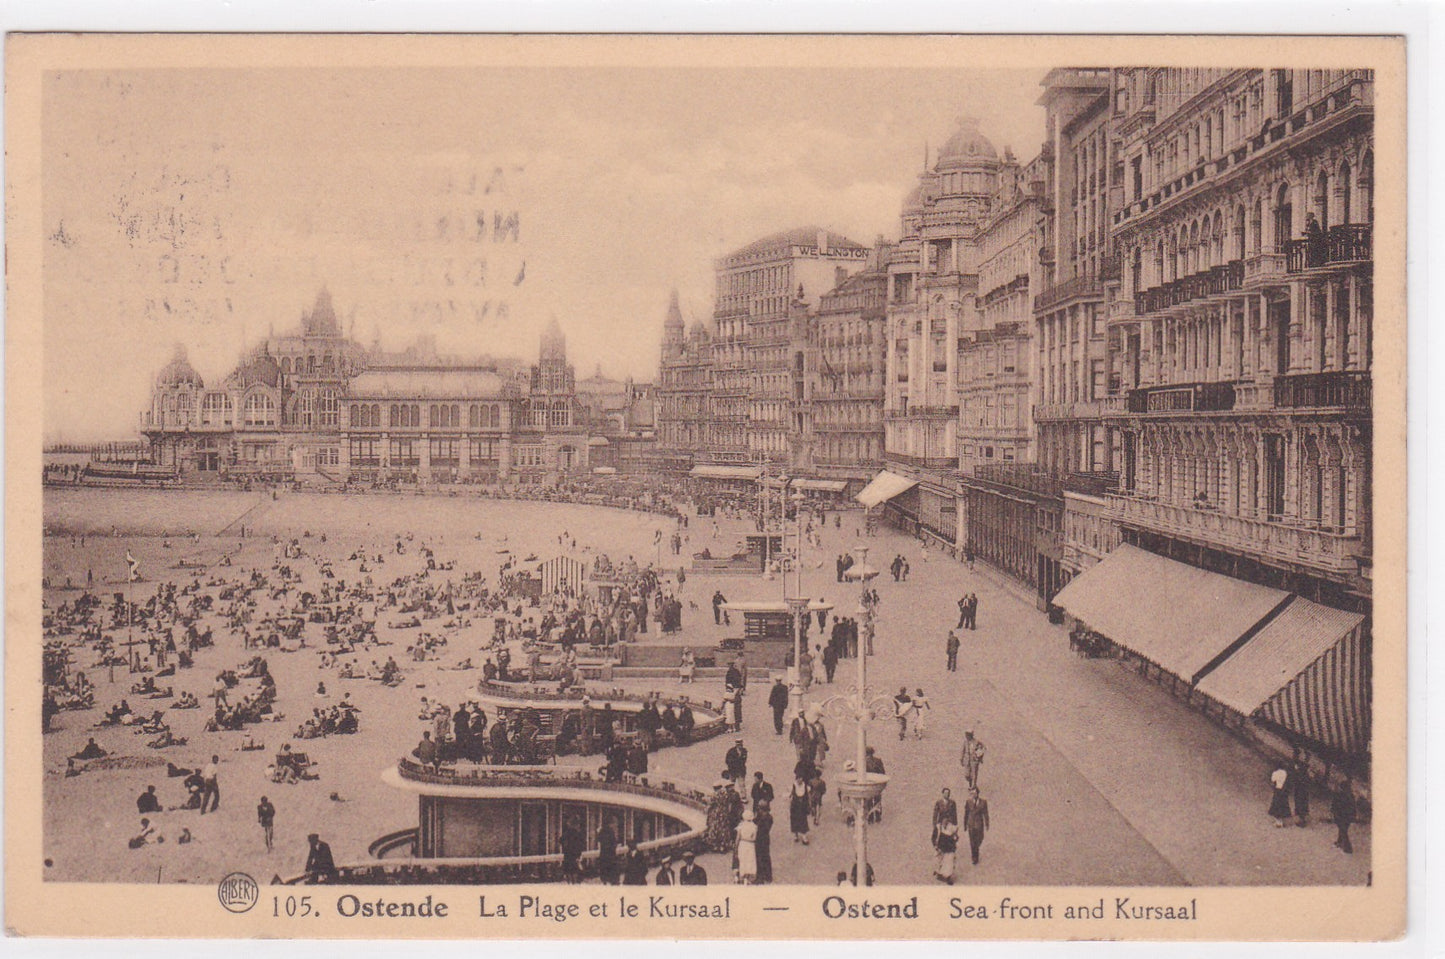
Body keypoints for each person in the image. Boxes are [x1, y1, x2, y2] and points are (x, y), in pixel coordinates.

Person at [963, 786, 990, 866]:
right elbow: (966, 813)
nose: (973, 795)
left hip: (979, 824)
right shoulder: (968, 802)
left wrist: (987, 824)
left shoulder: (983, 802)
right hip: (971, 823)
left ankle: (976, 849)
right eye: (972, 793)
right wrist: (965, 824)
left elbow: (986, 813)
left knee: (979, 839)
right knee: (972, 841)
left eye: (975, 793)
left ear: (978, 793)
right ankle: (974, 857)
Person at [1330, 777, 1357, 854]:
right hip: (1347, 817)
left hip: (1340, 816)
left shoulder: (1339, 795)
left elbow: (1334, 805)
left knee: (1343, 831)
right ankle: (1339, 841)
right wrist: (1353, 816)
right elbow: (1353, 807)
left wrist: (1333, 812)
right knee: (1343, 829)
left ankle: (1348, 848)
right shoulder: (1350, 796)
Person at [558, 817, 586, 883]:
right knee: (575, 868)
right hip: (575, 853)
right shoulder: (577, 833)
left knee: (568, 868)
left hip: (567, 853)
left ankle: (569, 881)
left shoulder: (566, 833)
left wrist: (565, 846)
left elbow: (560, 840)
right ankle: (574, 882)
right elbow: (582, 843)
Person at [734, 809, 758, 884]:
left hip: (742, 844)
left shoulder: (741, 826)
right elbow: (754, 838)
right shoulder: (754, 826)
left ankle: (742, 876)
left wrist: (736, 847)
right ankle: (749, 877)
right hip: (750, 845)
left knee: (742, 860)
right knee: (750, 860)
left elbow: (737, 838)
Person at [754, 799, 774, 885]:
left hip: (761, 839)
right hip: (765, 839)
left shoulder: (764, 818)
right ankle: (768, 876)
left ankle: (760, 877)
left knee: (760, 858)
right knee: (766, 857)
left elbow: (759, 826)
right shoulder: (769, 817)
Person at [934, 819, 959, 884]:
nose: (945, 822)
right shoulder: (938, 827)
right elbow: (934, 837)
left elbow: (956, 837)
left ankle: (948, 877)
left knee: (949, 862)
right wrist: (936, 845)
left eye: (946, 821)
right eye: (943, 821)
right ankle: (940, 873)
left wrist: (955, 838)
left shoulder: (952, 828)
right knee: (940, 860)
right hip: (941, 847)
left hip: (949, 847)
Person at [595, 819, 621, 885]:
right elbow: (613, 842)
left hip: (604, 853)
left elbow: (598, 840)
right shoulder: (611, 831)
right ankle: (612, 880)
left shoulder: (601, 831)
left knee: (604, 867)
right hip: (610, 853)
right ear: (610, 824)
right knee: (611, 867)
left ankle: (604, 880)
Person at [1290, 749, 1311, 827]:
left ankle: (1300, 754)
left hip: (1300, 790)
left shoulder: (1300, 774)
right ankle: (1300, 754)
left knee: (1300, 803)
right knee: (1302, 803)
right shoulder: (1303, 774)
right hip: (1302, 790)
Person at [788, 775, 811, 845]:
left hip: (803, 806)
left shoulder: (805, 786)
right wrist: (790, 806)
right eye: (798, 779)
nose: (799, 780)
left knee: (803, 820)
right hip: (795, 806)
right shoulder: (794, 786)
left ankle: (804, 837)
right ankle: (796, 835)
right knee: (795, 819)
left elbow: (808, 796)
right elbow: (791, 796)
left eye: (800, 778)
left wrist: (809, 805)